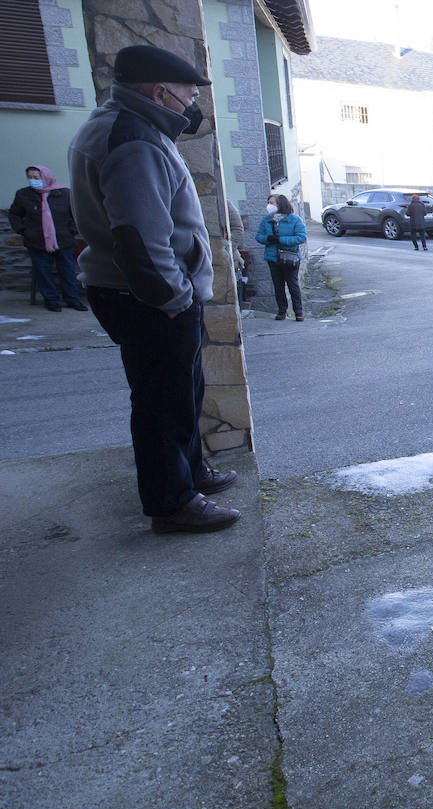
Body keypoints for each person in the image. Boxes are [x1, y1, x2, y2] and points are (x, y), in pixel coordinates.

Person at [68, 43, 240, 533]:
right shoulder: (135, 140)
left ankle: (190, 474)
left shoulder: (129, 126)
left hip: (139, 292)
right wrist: (175, 301)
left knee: (181, 390)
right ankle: (172, 502)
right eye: (186, 94)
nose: (191, 105)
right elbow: (140, 239)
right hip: (148, 297)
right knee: (162, 401)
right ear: (159, 91)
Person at [8, 165, 86, 312]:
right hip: (36, 240)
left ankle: (72, 300)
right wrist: (23, 230)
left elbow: (76, 214)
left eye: (36, 177)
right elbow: (14, 215)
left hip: (63, 239)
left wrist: (72, 230)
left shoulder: (64, 194)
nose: (33, 180)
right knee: (43, 271)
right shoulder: (23, 195)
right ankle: (51, 300)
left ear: (46, 177)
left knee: (67, 270)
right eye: (30, 177)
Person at [255, 193, 307, 321]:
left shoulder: (294, 220)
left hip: (290, 258)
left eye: (272, 203)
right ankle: (281, 311)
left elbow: (301, 237)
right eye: (268, 202)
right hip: (273, 258)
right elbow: (259, 237)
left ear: (280, 204)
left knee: (292, 284)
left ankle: (298, 312)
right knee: (278, 285)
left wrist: (281, 239)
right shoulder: (267, 220)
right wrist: (268, 239)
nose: (269, 205)